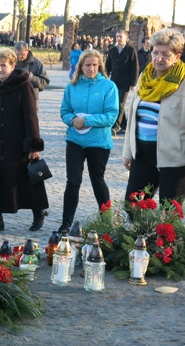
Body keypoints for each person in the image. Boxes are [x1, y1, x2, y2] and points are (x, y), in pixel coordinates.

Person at [122, 28, 185, 205]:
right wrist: (128, 151)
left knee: (169, 215)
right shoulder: (144, 78)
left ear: (177, 56)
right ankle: (142, 234)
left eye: (165, 54)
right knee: (133, 206)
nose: (159, 58)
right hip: (142, 156)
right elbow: (133, 118)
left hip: (174, 161)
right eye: (155, 52)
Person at [0, 48, 48, 234]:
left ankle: (38, 212)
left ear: (12, 66)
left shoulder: (24, 86)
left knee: (26, 180)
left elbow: (31, 116)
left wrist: (33, 145)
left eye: (3, 66)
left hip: (18, 143)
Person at [59, 50, 119, 233]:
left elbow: (111, 117)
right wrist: (72, 120)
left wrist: (86, 120)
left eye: (95, 65)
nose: (91, 68)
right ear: (81, 67)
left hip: (98, 142)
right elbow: (64, 111)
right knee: (73, 181)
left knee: (97, 180)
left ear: (99, 66)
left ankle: (107, 221)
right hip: (75, 141)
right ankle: (66, 223)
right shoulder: (72, 86)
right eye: (87, 65)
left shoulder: (109, 86)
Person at [105, 30, 139, 136]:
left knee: (120, 104)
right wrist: (104, 79)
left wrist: (133, 83)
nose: (118, 38)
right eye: (117, 36)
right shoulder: (113, 50)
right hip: (114, 81)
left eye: (120, 36)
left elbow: (135, 67)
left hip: (125, 82)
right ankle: (124, 125)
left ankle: (115, 127)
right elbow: (107, 66)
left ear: (126, 38)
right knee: (117, 103)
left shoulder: (130, 50)